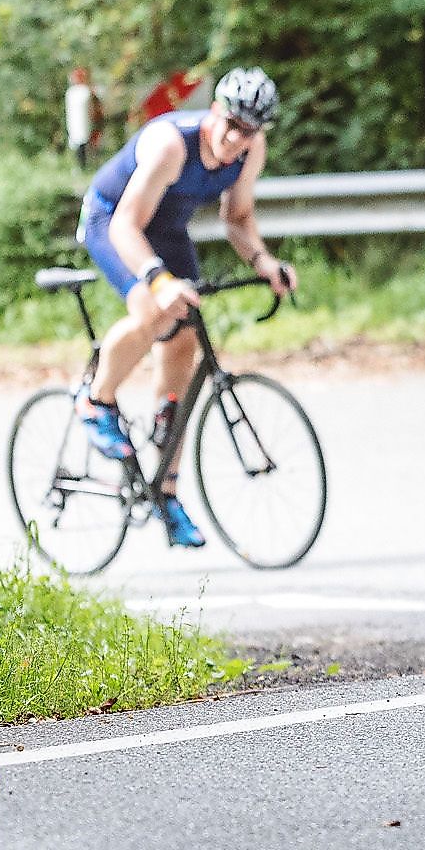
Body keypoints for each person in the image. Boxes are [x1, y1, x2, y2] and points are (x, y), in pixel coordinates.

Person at [74, 67, 298, 547]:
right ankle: (95, 401)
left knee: (186, 337)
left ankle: (167, 491)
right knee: (156, 312)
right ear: (215, 112)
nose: (237, 140)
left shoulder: (249, 150)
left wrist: (264, 261)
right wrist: (156, 279)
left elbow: (237, 217)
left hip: (165, 231)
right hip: (113, 221)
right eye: (232, 126)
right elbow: (124, 227)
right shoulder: (171, 145)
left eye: (250, 132)